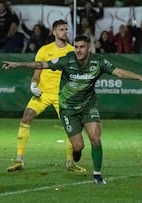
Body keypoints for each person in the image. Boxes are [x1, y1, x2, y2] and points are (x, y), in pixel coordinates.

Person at [2, 35, 142, 184]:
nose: (78, 50)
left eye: (82, 47)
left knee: (95, 138)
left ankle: (97, 174)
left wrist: (139, 77)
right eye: (76, 47)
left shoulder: (97, 61)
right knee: (78, 145)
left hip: (88, 106)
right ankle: (76, 151)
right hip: (68, 108)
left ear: (89, 48)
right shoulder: (68, 59)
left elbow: (118, 72)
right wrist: (18, 64)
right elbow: (43, 64)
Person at [6, 19, 86, 174]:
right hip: (43, 93)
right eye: (61, 29)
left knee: (70, 126)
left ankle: (70, 162)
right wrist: (33, 85)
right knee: (26, 117)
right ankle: (19, 160)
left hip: (62, 95)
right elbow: (37, 73)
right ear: (54, 32)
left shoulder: (72, 51)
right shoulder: (44, 50)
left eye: (66, 29)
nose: (65, 32)